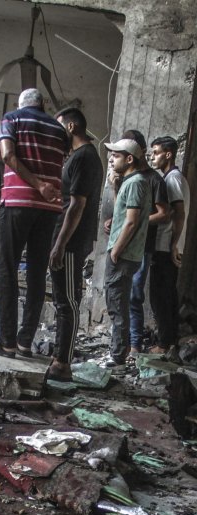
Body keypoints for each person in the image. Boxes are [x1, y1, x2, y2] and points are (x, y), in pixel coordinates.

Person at [0, 88, 67, 357]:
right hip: (49, 208)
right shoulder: (59, 129)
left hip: (18, 203)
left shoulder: (12, 119)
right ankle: (25, 341)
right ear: (42, 105)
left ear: (21, 104)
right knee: (37, 274)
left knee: (7, 269)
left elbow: (7, 155)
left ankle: (6, 341)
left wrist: (38, 184)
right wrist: (45, 187)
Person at [46, 108, 103, 381]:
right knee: (64, 300)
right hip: (70, 239)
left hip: (70, 241)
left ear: (70, 127)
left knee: (67, 301)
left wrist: (60, 244)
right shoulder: (82, 157)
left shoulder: (84, 157)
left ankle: (63, 363)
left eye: (59, 129)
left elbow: (77, 205)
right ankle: (60, 356)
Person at [119, 130, 169, 355]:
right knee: (121, 294)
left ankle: (135, 345)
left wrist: (137, 222)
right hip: (127, 243)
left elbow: (164, 213)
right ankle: (122, 343)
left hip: (144, 246)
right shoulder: (129, 177)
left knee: (134, 295)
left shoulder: (154, 179)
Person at [104, 139, 151, 368]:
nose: (111, 159)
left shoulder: (135, 183)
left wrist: (116, 250)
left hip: (123, 255)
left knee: (117, 304)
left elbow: (131, 222)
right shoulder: (132, 181)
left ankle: (117, 357)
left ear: (129, 159)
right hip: (126, 254)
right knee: (117, 303)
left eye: (116, 155)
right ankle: (118, 353)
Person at [148, 136, 190, 354]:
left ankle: (163, 344)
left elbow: (179, 213)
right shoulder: (176, 178)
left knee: (160, 295)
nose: (152, 157)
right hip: (168, 246)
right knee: (168, 295)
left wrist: (173, 245)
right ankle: (170, 341)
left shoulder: (172, 179)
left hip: (166, 247)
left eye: (156, 152)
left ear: (168, 154)